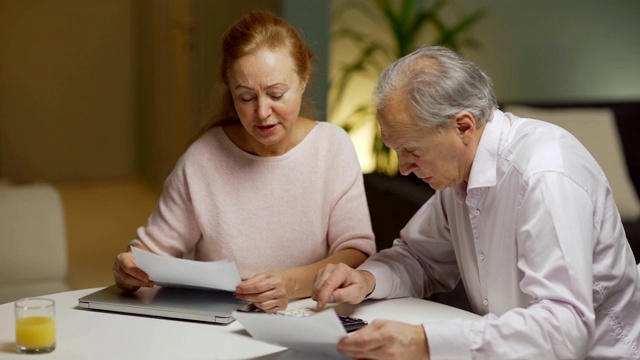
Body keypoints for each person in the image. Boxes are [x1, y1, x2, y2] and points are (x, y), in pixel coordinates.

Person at [312, 46, 640, 359]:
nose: (403, 168)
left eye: (412, 150)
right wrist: (367, 280)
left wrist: (425, 342)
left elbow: (564, 329)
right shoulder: (459, 175)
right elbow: (419, 259)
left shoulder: (545, 175)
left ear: (464, 126)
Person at [112, 10, 375, 313]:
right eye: (246, 98)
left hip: (308, 315)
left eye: (276, 94)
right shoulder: (203, 159)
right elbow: (150, 250)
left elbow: (357, 251)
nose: (262, 112)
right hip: (221, 324)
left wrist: (290, 285)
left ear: (304, 79)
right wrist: (128, 269)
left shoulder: (332, 147)